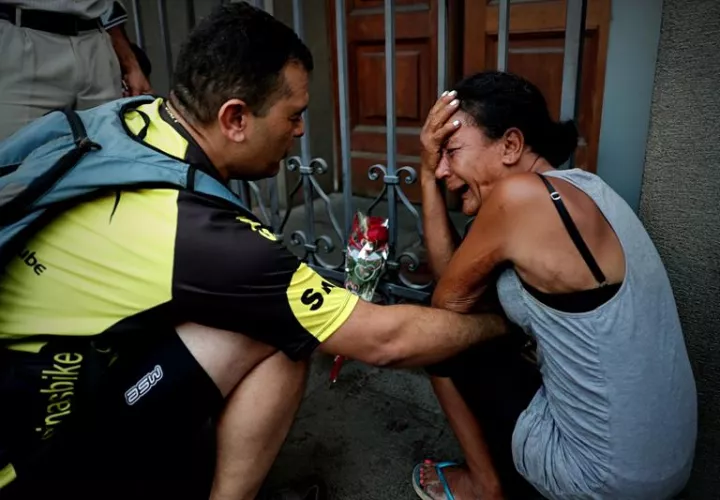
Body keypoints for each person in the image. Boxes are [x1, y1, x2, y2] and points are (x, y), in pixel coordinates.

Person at [0, 5, 508, 500]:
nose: (301, 130)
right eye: (294, 115)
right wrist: (503, 324)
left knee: (268, 324)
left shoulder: (136, 118)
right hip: (29, 460)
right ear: (236, 118)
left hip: (35, 379)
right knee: (288, 335)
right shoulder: (200, 235)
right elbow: (384, 339)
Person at [411, 71, 697, 500]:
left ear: (510, 145)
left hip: (600, 478)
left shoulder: (518, 199)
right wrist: (431, 167)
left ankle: (484, 486)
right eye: (437, 159)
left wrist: (423, 174)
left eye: (450, 152)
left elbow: (448, 305)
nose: (443, 170)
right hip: (668, 467)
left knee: (433, 342)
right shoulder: (586, 187)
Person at [0, 0, 152, 141]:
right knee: (15, 158)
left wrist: (131, 64)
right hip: (21, 36)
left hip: (96, 38)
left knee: (109, 153)